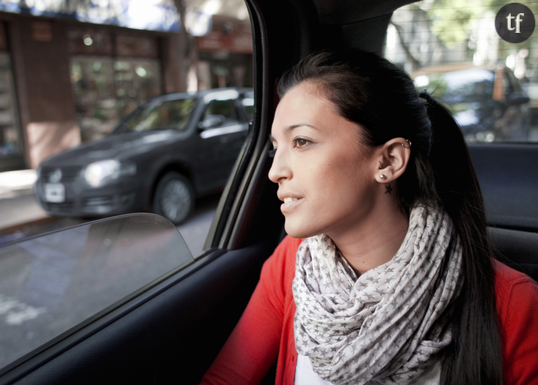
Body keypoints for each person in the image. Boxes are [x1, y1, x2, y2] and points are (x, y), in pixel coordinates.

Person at [200, 50, 538, 385]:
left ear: (388, 161)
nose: (275, 171)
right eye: (277, 146)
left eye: (301, 141)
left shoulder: (513, 306)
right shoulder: (291, 263)